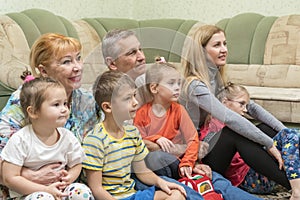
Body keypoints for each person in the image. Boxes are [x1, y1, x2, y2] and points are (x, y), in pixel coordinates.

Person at [101, 29, 263, 200]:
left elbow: (188, 135)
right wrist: (167, 146)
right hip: (145, 169)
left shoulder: (149, 82)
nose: (141, 56)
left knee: (213, 180)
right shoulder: (108, 98)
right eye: (132, 52)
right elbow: (134, 147)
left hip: (175, 160)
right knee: (167, 169)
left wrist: (190, 160)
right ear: (112, 64)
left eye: (140, 49)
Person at [179, 24, 292, 193]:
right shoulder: (195, 85)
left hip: (211, 142)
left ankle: (294, 176)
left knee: (268, 129)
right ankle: (293, 184)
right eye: (217, 45)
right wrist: (268, 144)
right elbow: (229, 118)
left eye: (225, 43)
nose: (224, 49)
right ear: (200, 52)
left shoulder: (216, 78)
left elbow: (252, 107)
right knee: (233, 131)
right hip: (196, 154)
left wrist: (285, 132)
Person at [0, 33, 98, 191]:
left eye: (78, 58)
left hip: (71, 187)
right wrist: (27, 175)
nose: (78, 67)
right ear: (43, 71)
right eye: (67, 62)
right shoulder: (25, 100)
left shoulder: (86, 99)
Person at [82, 70, 187, 200]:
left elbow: (142, 172)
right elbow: (96, 189)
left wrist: (162, 183)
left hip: (133, 195)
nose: (135, 102)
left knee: (176, 194)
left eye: (134, 95)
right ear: (108, 107)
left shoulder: (133, 133)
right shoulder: (95, 140)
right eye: (127, 98)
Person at [1, 77, 93, 199]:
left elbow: (77, 163)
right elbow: (10, 178)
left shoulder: (67, 137)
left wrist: (69, 177)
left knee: (81, 191)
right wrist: (45, 189)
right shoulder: (20, 140)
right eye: (56, 104)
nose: (64, 109)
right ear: (33, 112)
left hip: (60, 190)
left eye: (65, 103)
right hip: (29, 194)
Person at [203, 82, 300, 198]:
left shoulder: (240, 124)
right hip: (248, 180)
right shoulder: (213, 126)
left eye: (246, 106)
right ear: (224, 102)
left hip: (259, 172)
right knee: (236, 132)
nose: (245, 110)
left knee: (287, 133)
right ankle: (296, 189)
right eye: (241, 104)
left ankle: (296, 184)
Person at [133, 62, 199, 180]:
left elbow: (193, 139)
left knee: (156, 157)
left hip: (176, 163)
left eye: (179, 83)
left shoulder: (179, 110)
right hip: (153, 166)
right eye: (171, 83)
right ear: (154, 88)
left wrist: (187, 162)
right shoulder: (142, 113)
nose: (177, 87)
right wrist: (156, 138)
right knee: (153, 157)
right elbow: (137, 140)